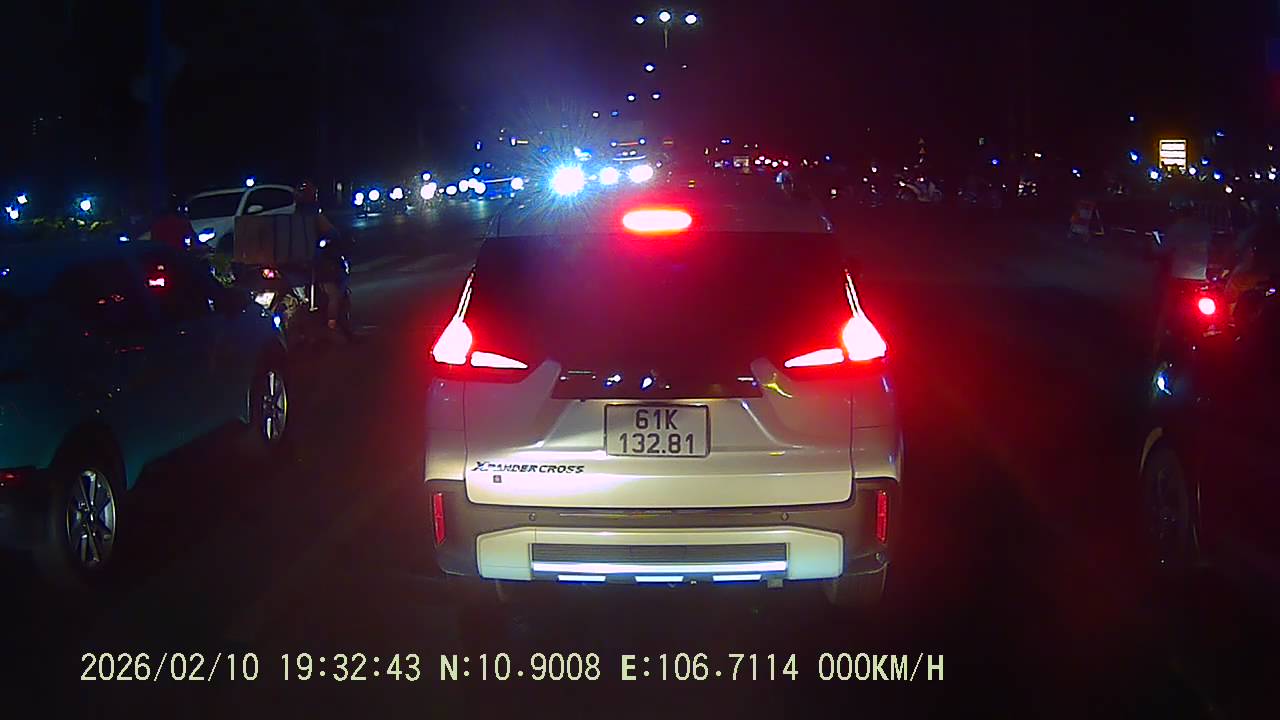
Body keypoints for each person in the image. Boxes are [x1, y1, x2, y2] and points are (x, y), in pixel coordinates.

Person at [295, 180, 350, 336]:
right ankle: (332, 324)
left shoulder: (295, 215)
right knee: (334, 293)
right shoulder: (314, 214)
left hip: (300, 261)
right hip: (316, 262)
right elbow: (332, 233)